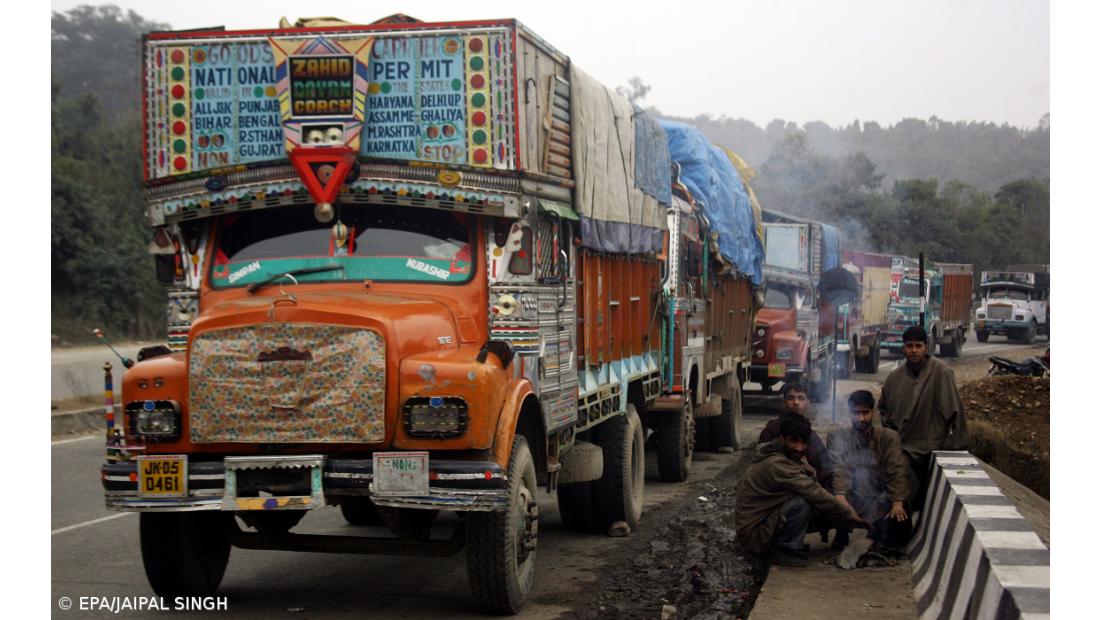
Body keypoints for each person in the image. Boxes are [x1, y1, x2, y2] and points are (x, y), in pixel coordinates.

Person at [736, 414, 866, 567]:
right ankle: (784, 550)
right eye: (794, 441)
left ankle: (789, 543)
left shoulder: (789, 455)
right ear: (782, 438)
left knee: (828, 504)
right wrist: (848, 514)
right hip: (755, 535)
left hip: (767, 522)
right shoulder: (775, 464)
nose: (799, 447)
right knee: (802, 502)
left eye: (803, 443)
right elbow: (813, 491)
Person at [879, 325, 968, 511]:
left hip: (931, 446)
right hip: (903, 448)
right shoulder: (895, 378)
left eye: (918, 346)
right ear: (904, 348)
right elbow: (884, 412)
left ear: (926, 347)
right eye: (909, 346)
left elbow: (954, 412)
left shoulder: (941, 372)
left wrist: (953, 447)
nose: (913, 351)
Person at [828, 390, 914, 550]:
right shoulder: (837, 437)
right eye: (856, 413)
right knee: (830, 493)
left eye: (865, 413)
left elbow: (896, 470)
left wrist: (897, 502)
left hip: (881, 495)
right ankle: (842, 531)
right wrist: (840, 499)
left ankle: (878, 531)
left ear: (872, 412)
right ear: (849, 413)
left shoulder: (889, 437)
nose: (861, 418)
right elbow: (838, 469)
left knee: (899, 536)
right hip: (852, 495)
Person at [759, 381, 832, 489]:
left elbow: (824, 468)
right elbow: (762, 463)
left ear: (808, 402)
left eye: (801, 398)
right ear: (784, 402)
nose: (796, 402)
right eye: (790, 398)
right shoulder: (772, 430)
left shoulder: (811, 435)